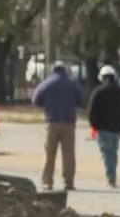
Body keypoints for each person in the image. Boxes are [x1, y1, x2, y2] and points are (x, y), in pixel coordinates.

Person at [31, 63, 83, 191]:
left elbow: (36, 100)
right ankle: (69, 182)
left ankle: (47, 182)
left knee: (49, 153)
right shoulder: (72, 84)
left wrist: (47, 104)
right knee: (69, 154)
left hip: (52, 122)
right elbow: (80, 100)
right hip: (69, 123)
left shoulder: (47, 83)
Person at [86, 65, 120, 187]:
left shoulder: (98, 91)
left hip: (102, 128)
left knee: (107, 153)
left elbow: (91, 111)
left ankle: (111, 178)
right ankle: (112, 174)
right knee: (113, 152)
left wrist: (93, 126)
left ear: (101, 77)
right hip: (118, 129)